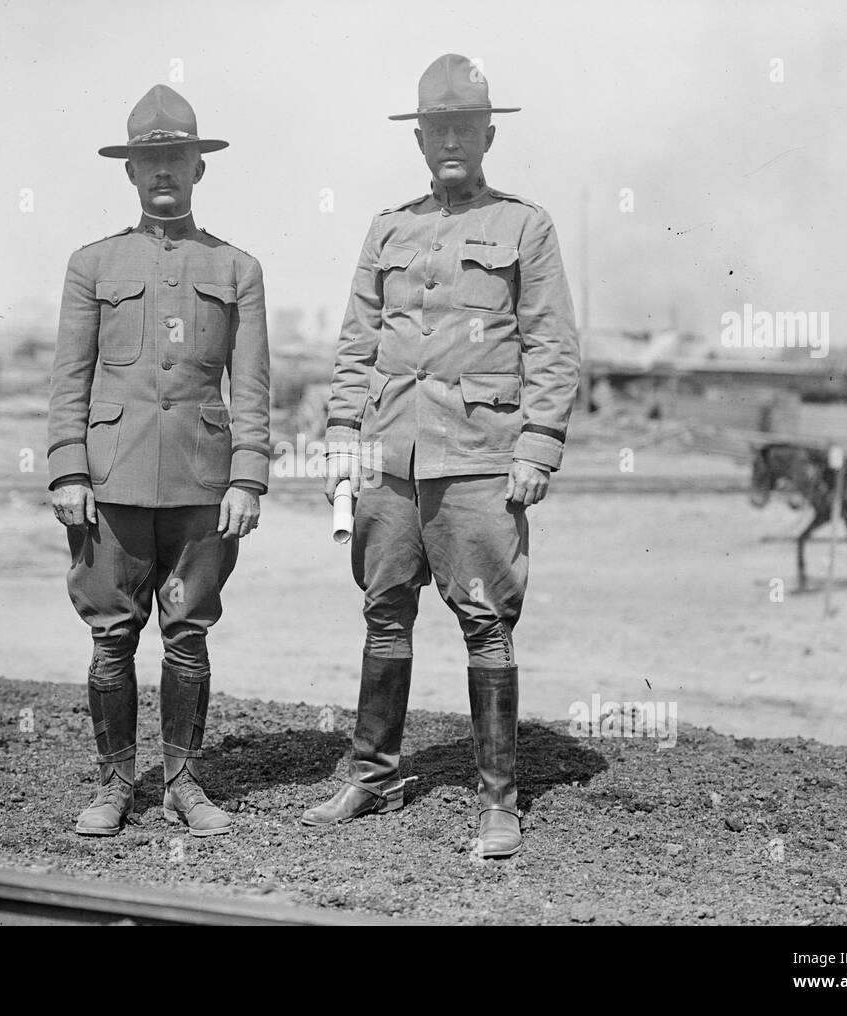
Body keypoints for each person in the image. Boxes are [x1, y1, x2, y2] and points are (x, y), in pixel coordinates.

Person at [303, 55, 581, 859]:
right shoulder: (390, 228)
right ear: (419, 140)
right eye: (437, 129)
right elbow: (358, 342)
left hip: (480, 457)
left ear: (488, 135)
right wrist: (343, 437)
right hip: (391, 457)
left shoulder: (525, 225)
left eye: (464, 127)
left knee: (486, 620)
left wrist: (537, 445)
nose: (450, 141)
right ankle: (373, 775)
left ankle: (499, 800)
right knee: (384, 610)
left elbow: (553, 346)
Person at [47, 85, 270, 838]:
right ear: (131, 173)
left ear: (198, 169)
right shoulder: (93, 264)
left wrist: (247, 476)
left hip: (202, 483)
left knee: (187, 631)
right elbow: (69, 379)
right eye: (151, 160)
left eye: (176, 157)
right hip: (110, 479)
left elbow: (254, 385)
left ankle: (182, 782)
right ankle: (115, 783)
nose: (164, 171)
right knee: (112, 634)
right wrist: (67, 468)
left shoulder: (237, 268)